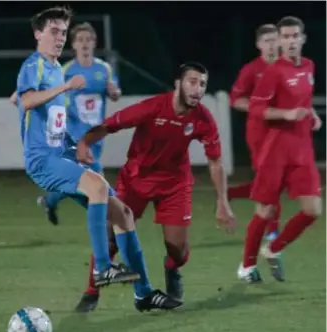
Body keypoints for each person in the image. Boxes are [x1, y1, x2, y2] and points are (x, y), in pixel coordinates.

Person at [16, 7, 181, 312]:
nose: (59, 37)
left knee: (124, 214)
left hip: (62, 153)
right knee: (99, 188)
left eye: (63, 32)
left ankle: (143, 294)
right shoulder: (35, 65)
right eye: (54, 31)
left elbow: (53, 118)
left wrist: (75, 145)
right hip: (42, 159)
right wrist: (64, 87)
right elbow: (26, 100)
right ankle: (102, 268)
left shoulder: (54, 69)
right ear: (38, 34)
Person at [77, 62, 236, 310]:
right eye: (192, 82)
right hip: (136, 180)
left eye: (202, 84)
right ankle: (90, 293)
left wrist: (222, 201)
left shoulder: (203, 119)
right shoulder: (153, 108)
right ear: (178, 84)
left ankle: (172, 268)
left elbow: (215, 162)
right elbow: (110, 124)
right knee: (110, 237)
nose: (198, 89)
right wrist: (85, 143)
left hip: (175, 184)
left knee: (177, 250)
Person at [237, 16, 322, 283]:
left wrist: (313, 114)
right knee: (265, 211)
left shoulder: (309, 66)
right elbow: (257, 108)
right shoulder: (273, 71)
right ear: (281, 40)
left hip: (302, 149)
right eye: (285, 37)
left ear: (303, 38)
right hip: (276, 150)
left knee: (313, 210)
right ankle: (247, 266)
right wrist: (287, 114)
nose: (290, 41)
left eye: (294, 36)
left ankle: (273, 249)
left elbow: (304, 100)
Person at [37, 22, 122, 225]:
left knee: (76, 180)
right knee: (98, 181)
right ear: (73, 45)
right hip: (77, 135)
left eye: (88, 39)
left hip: (97, 134)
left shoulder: (104, 68)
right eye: (80, 40)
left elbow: (116, 93)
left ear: (94, 43)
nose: (85, 43)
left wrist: (114, 92)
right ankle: (114, 221)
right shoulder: (66, 71)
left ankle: (51, 200)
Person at [228, 24, 280, 241]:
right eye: (266, 40)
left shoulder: (289, 67)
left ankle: (230, 194)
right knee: (270, 180)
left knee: (275, 180)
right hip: (259, 134)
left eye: (274, 40)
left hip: (284, 133)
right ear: (259, 45)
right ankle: (272, 230)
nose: (271, 45)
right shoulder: (251, 70)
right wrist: (259, 108)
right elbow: (235, 100)